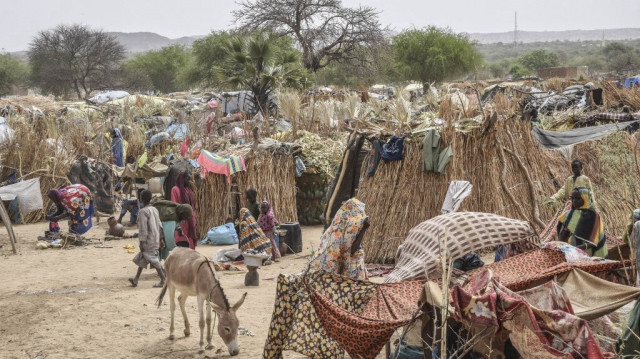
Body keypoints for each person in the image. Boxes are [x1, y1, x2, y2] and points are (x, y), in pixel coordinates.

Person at [309, 198, 369, 280]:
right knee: (356, 261)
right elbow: (351, 250)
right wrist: (363, 230)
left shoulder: (340, 226)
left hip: (344, 262)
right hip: (343, 264)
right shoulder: (340, 231)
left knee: (358, 256)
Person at [556, 187, 607, 258]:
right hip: (570, 252)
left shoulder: (593, 216)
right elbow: (563, 235)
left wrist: (577, 248)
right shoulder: (568, 215)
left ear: (585, 199)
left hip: (588, 252)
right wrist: (560, 246)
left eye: (577, 198)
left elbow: (594, 241)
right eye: (572, 198)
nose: (574, 201)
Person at [129, 190, 165, 288]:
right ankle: (136, 279)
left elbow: (143, 230)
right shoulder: (154, 209)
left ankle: (163, 280)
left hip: (148, 239)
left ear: (141, 199)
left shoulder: (143, 212)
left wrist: (142, 242)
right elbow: (160, 225)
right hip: (156, 237)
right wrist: (161, 238)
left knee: (152, 258)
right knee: (144, 257)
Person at [171, 171, 197, 249]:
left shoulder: (189, 190)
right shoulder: (175, 189)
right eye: (187, 179)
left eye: (189, 179)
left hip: (191, 219)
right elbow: (174, 204)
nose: (188, 181)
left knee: (190, 241)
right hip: (182, 220)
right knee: (182, 240)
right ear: (182, 179)